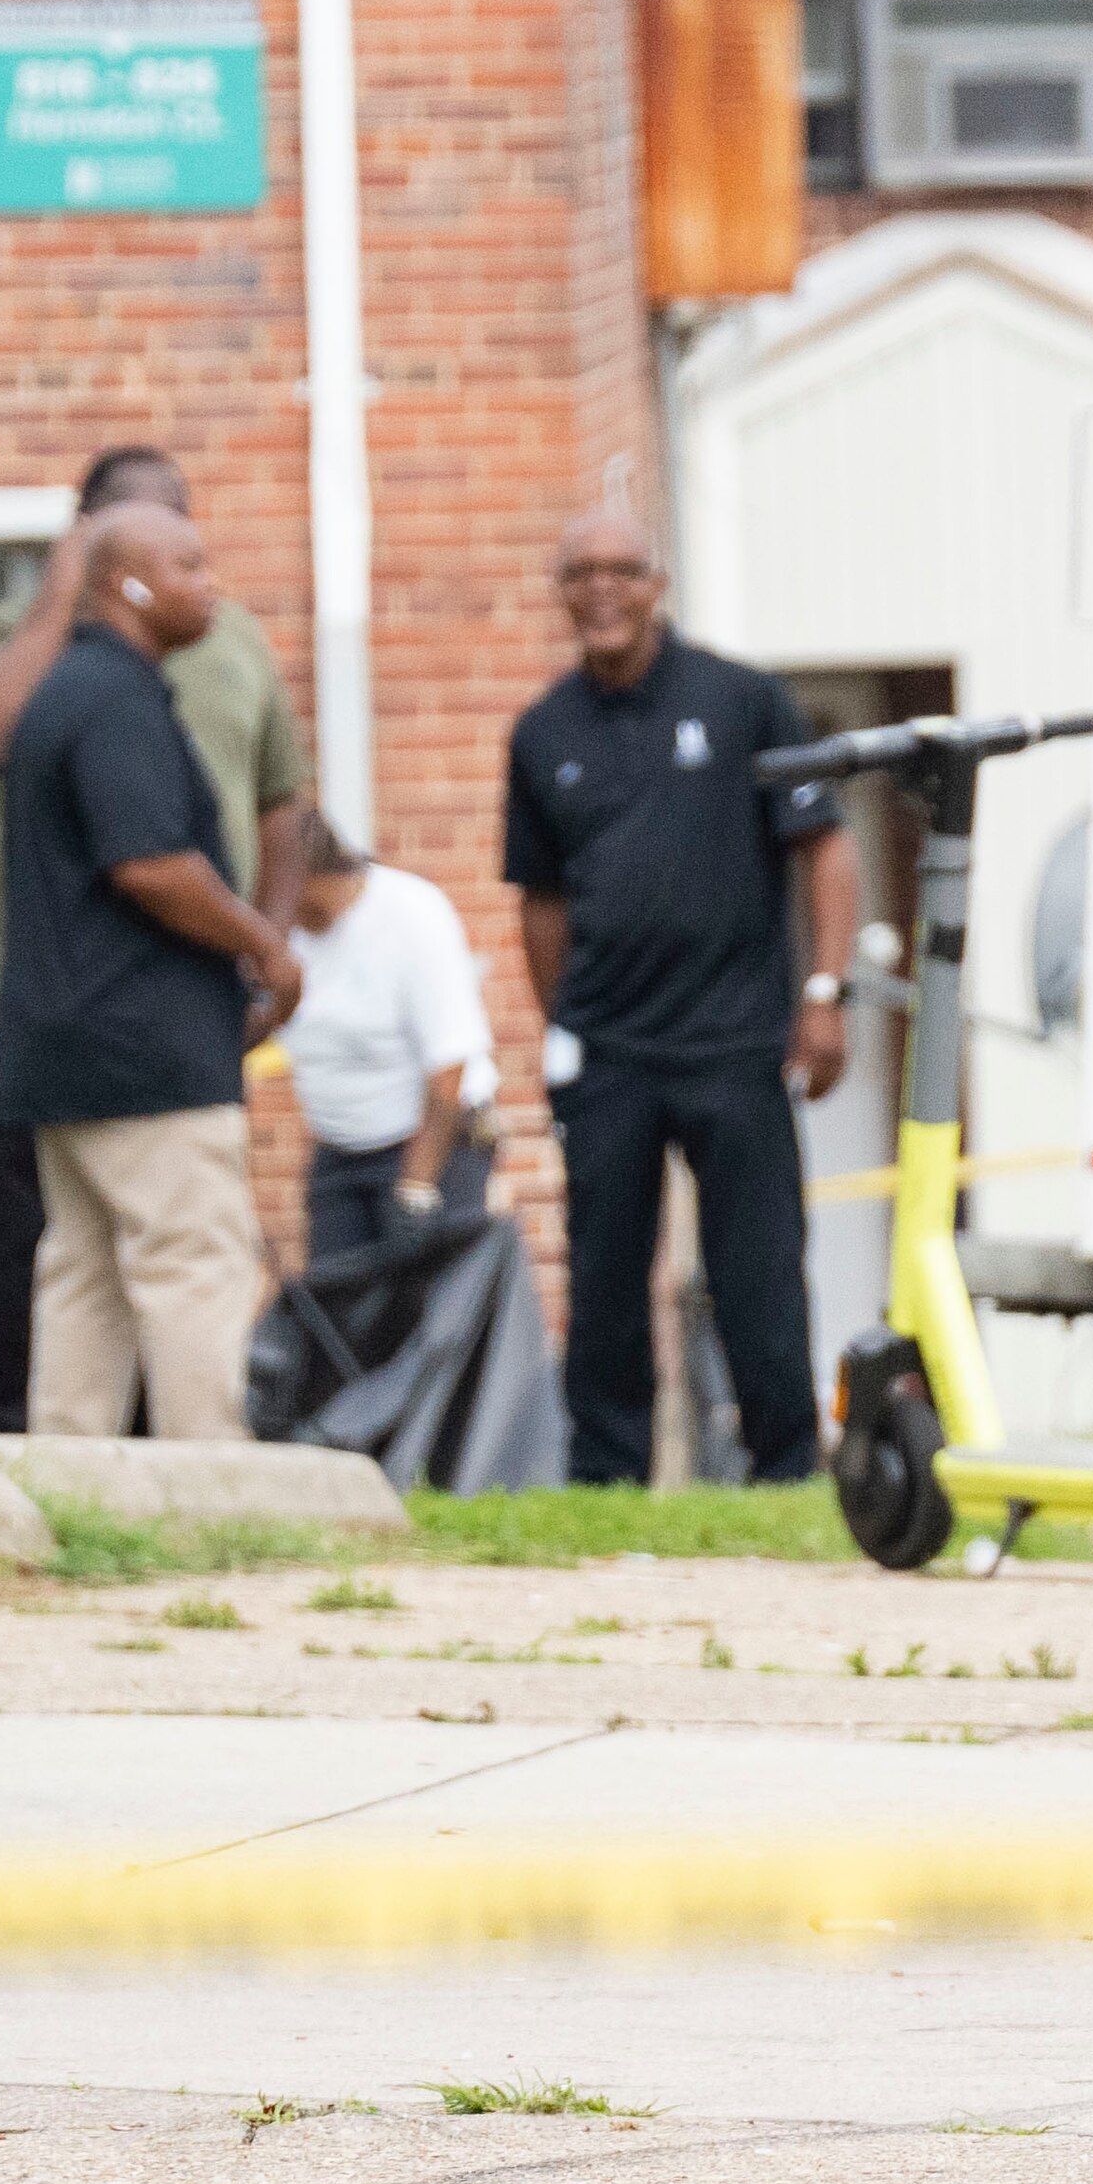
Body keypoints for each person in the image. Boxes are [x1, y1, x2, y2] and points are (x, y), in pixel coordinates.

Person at [0, 445, 308, 1434]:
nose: (211, 582)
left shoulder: (87, 690)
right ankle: (208, 1492)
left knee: (84, 1275)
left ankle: (71, 1485)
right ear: (123, 575)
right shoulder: (110, 694)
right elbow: (149, 862)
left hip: (72, 1035)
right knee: (192, 1262)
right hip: (143, 1041)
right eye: (187, 563)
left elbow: (284, 803)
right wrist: (265, 947)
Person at [506, 509, 855, 1484]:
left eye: (622, 569)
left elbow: (824, 845)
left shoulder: (742, 700)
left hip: (737, 1042)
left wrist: (823, 994)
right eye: (580, 572)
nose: (601, 589)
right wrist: (566, 1021)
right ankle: (606, 1476)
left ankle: (785, 1469)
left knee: (759, 1272)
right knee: (608, 1278)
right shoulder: (543, 732)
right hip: (610, 1053)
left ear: (658, 583)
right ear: (562, 592)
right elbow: (539, 900)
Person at [285, 820, 502, 1264]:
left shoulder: (411, 913)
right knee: (338, 1313)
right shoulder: (275, 927)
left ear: (321, 875)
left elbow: (450, 1065)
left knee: (437, 1317)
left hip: (436, 1147)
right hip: (340, 1149)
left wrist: (417, 1190)